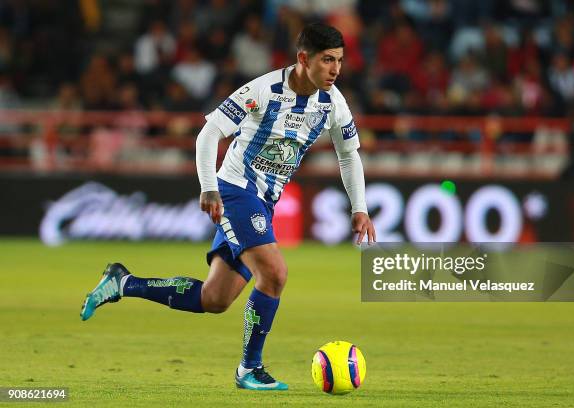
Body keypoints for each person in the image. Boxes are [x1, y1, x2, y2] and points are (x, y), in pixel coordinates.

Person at [79, 22, 376, 391]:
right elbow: (209, 133)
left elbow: (349, 156)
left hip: (264, 202)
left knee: (214, 298)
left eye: (340, 61)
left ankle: (122, 282)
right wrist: (209, 188)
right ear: (303, 59)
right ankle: (249, 369)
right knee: (275, 275)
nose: (336, 69)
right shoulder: (263, 90)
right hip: (235, 190)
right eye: (328, 60)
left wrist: (359, 207)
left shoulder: (334, 103)